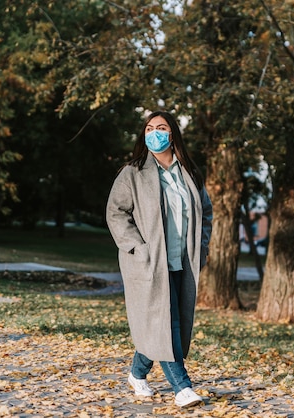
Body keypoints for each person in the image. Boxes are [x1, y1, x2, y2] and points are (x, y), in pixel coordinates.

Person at [106, 110, 213, 408]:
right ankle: (182, 387)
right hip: (150, 263)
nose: (155, 133)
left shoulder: (189, 172)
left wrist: (201, 249)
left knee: (161, 323)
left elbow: (206, 213)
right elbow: (115, 213)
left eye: (161, 127)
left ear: (172, 133)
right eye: (149, 128)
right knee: (168, 325)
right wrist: (137, 247)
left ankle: (137, 372)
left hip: (182, 261)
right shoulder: (132, 173)